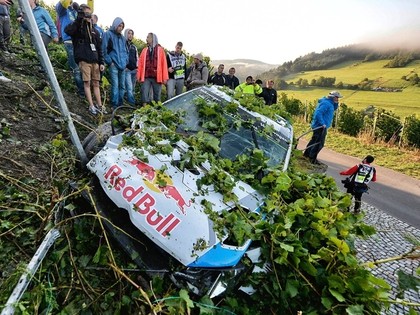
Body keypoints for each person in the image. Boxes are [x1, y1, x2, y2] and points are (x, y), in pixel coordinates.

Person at [65, 4, 105, 115]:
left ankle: (100, 105)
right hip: (83, 60)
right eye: (86, 13)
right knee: (87, 83)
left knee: (96, 83)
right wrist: (79, 18)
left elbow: (99, 48)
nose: (88, 16)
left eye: (89, 14)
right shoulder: (78, 27)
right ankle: (91, 105)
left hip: (95, 60)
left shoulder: (95, 31)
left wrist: (101, 62)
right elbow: (67, 31)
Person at [303, 90, 342, 164]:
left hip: (322, 126)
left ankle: (307, 155)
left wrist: (336, 103)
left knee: (314, 141)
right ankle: (312, 158)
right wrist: (322, 123)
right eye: (337, 98)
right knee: (318, 143)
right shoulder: (326, 103)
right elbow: (318, 113)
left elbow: (334, 108)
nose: (338, 99)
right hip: (320, 126)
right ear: (333, 97)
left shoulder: (330, 103)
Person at [55, 0, 85, 97]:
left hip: (78, 42)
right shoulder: (63, 11)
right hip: (68, 41)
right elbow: (61, 4)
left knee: (82, 67)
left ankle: (84, 90)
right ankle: (82, 92)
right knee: (76, 69)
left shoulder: (75, 12)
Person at [102, 17, 128, 110]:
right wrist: (110, 62)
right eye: (119, 25)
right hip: (114, 65)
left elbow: (126, 52)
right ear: (115, 24)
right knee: (115, 85)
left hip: (123, 66)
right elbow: (103, 49)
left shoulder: (123, 39)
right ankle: (114, 104)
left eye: (122, 26)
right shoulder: (108, 34)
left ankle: (120, 104)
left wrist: (126, 62)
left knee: (123, 86)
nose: (120, 28)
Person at [137, 32, 168, 106]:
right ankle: (144, 109)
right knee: (144, 93)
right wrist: (139, 76)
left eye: (148, 37)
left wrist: (165, 78)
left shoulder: (160, 50)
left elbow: (164, 64)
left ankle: (157, 111)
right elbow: (140, 64)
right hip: (146, 76)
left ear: (152, 39)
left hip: (157, 77)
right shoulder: (145, 50)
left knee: (157, 96)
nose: (146, 39)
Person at [124, 28, 137, 105]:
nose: (130, 35)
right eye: (129, 33)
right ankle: (132, 103)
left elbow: (136, 57)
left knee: (132, 88)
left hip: (134, 70)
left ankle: (129, 101)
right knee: (129, 87)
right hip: (127, 69)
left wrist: (137, 67)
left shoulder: (133, 46)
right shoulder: (123, 44)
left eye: (132, 34)